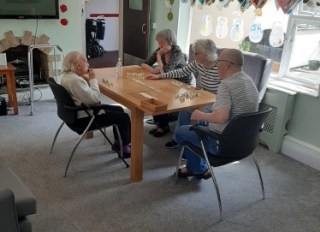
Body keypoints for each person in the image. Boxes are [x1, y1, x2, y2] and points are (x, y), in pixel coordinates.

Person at [175, 48, 259, 179]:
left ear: (227, 64)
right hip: (245, 143)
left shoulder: (226, 85)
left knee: (180, 132)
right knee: (188, 114)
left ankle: (198, 168)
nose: (216, 64)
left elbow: (221, 117)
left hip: (221, 143)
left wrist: (200, 116)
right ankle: (197, 164)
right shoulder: (249, 81)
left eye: (218, 61)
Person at [146, 39, 221, 147]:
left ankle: (190, 140)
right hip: (203, 96)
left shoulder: (220, 67)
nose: (194, 55)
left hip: (216, 102)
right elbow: (182, 71)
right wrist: (160, 76)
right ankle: (178, 139)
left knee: (191, 111)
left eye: (196, 53)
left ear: (206, 54)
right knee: (185, 109)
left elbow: (225, 91)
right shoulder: (198, 63)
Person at [61, 51, 131, 158]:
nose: (88, 63)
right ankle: (124, 148)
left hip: (74, 114)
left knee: (119, 110)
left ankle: (118, 143)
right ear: (78, 65)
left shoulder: (67, 76)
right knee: (124, 117)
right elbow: (95, 100)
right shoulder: (76, 81)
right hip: (84, 118)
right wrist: (93, 80)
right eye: (85, 60)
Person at [142, 29, 191, 137]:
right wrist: (154, 70)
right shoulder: (160, 49)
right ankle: (159, 123)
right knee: (153, 91)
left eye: (161, 42)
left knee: (160, 94)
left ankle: (163, 125)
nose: (159, 45)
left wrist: (159, 57)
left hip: (181, 82)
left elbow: (166, 71)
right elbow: (144, 63)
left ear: (170, 41)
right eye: (158, 42)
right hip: (167, 79)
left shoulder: (176, 51)